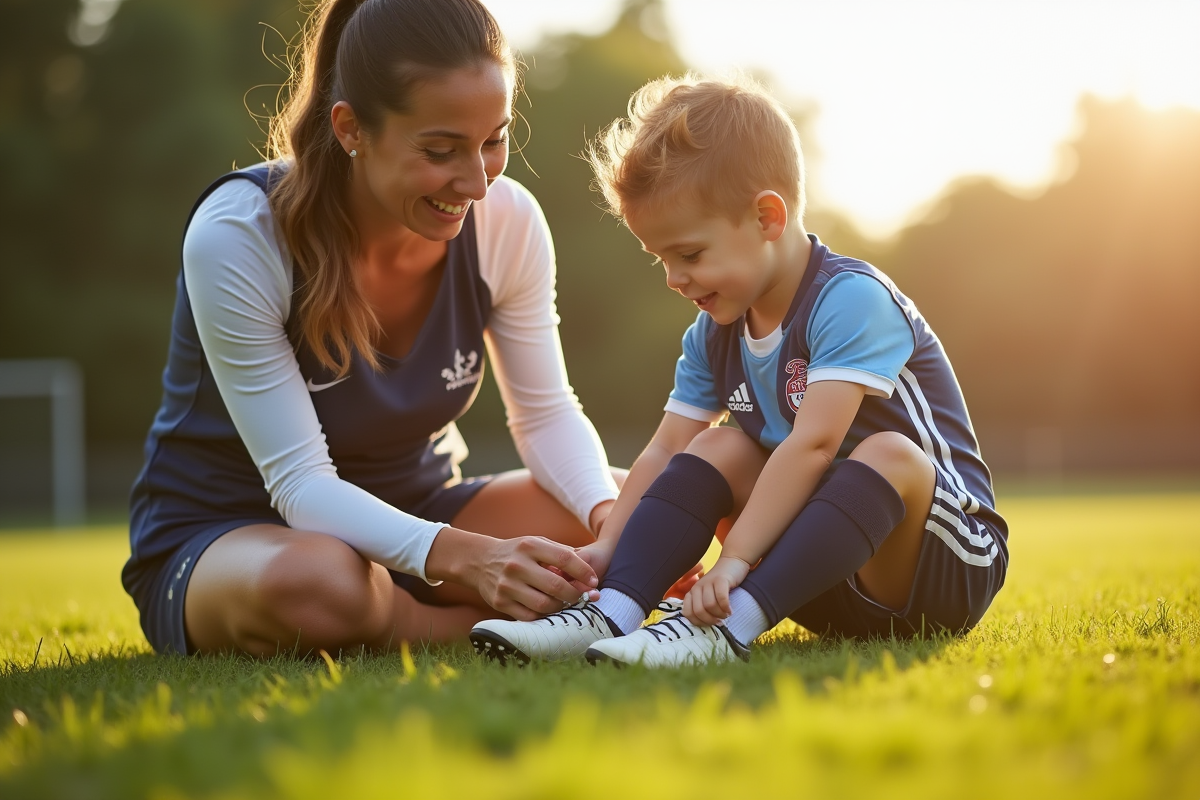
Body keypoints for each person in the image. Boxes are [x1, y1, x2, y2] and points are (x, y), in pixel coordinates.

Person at [122, 0, 623, 658]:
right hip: (239, 534)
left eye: (494, 139)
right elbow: (301, 486)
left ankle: (448, 603)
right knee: (324, 583)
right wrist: (470, 561)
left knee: (647, 507)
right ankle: (474, 628)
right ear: (352, 128)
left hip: (422, 511)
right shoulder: (240, 234)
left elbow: (548, 413)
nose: (476, 182)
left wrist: (610, 521)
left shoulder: (508, 220)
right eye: (441, 150)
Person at [470, 74, 1008, 667]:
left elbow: (815, 444)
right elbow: (664, 449)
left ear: (767, 217)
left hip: (941, 574)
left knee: (888, 452)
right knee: (718, 444)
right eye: (661, 259)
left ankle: (726, 627)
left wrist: (734, 562)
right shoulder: (714, 333)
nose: (674, 279)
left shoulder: (850, 299)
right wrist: (607, 547)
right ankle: (610, 607)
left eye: (690, 254)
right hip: (816, 580)